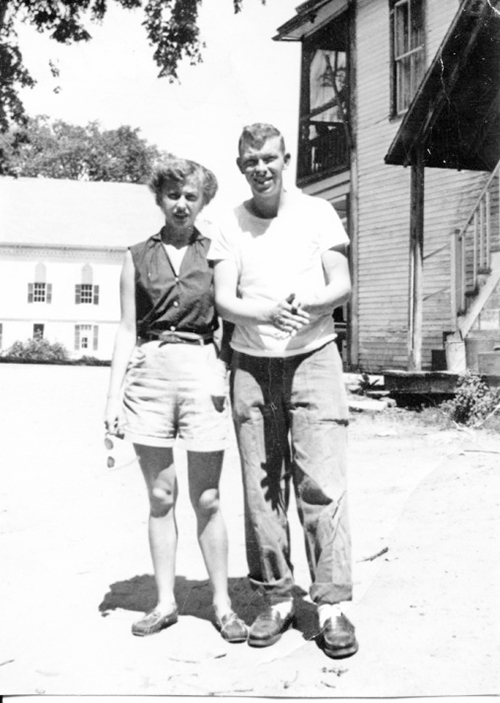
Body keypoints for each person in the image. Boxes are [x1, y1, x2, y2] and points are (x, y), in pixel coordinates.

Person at [208, 123, 357, 659]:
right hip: (252, 365)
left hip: (314, 358)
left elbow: (341, 283)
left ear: (286, 158)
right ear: (240, 165)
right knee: (261, 487)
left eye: (270, 158)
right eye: (251, 161)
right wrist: (266, 312)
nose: (261, 169)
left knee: (321, 483)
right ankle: (276, 598)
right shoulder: (229, 225)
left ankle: (334, 605)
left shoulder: (318, 214)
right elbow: (225, 299)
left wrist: (311, 305)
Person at [104, 156, 247, 644]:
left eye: (191, 195)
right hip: (150, 373)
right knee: (161, 495)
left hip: (202, 367)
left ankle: (223, 605)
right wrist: (113, 399)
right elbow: (126, 329)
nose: (181, 204)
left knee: (207, 497)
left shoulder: (217, 252)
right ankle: (165, 602)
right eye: (172, 195)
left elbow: (232, 324)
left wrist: (221, 371)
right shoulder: (135, 254)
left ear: (204, 200)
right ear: (159, 198)